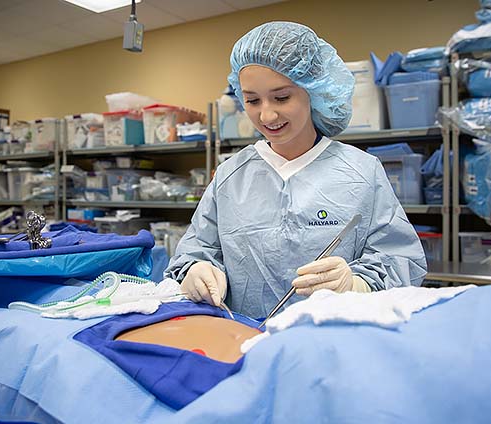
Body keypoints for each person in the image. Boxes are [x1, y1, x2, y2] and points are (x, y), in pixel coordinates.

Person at [165, 21, 427, 318]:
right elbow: (196, 249)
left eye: (282, 97)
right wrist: (197, 270)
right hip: (245, 340)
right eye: (252, 100)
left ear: (315, 91)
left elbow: (401, 257)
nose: (266, 114)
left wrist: (357, 284)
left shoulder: (362, 172)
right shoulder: (229, 175)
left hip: (336, 336)